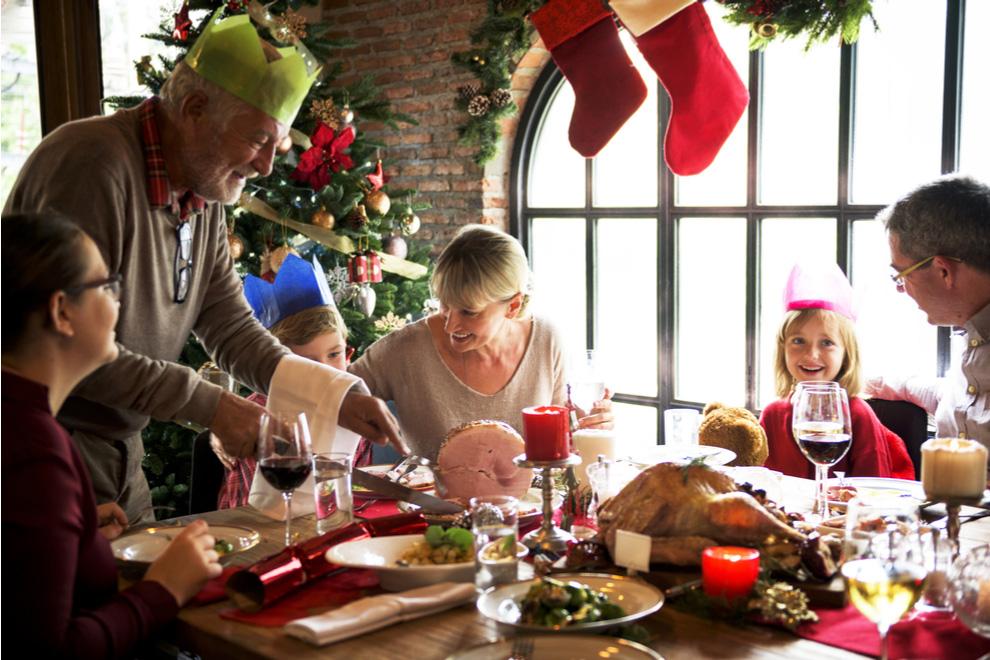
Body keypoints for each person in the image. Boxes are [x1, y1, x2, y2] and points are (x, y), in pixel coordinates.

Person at [3, 9, 403, 522]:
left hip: (124, 454)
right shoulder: (90, 165)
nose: (264, 166)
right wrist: (211, 405)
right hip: (49, 446)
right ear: (193, 109)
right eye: (258, 140)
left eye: (274, 145)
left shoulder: (204, 188)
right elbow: (64, 342)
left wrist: (336, 394)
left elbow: (229, 324)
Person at [2, 213, 222, 657]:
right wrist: (165, 588)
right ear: (62, 312)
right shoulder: (33, 450)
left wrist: (76, 539)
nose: (120, 301)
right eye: (106, 286)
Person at [349, 224, 614, 462]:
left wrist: (592, 430)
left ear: (513, 305)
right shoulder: (406, 348)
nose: (450, 325)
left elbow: (559, 451)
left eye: (468, 312)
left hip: (528, 511)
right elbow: (330, 396)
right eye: (444, 304)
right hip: (432, 514)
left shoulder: (546, 339)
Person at [216, 254, 372, 509]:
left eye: (335, 354)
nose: (326, 372)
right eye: (307, 365)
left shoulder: (353, 411)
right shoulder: (258, 420)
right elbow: (251, 509)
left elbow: (359, 500)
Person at [866, 174, 990, 453]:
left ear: (943, 271)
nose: (901, 289)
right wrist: (874, 382)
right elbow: (959, 398)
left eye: (902, 275)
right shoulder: (973, 334)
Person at [760, 263, 914, 479]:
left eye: (826, 343)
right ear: (782, 349)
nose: (811, 354)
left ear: (846, 354)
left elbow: (873, 491)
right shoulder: (772, 415)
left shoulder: (858, 415)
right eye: (798, 341)